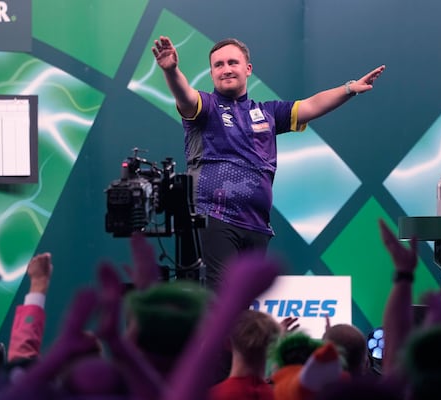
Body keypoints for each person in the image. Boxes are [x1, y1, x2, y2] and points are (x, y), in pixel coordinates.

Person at [152, 35, 385, 289]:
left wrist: (349, 88)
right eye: (218, 65)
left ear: (248, 69)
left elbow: (311, 105)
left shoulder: (267, 112)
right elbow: (184, 96)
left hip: (256, 225)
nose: (226, 69)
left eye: (233, 62)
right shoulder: (205, 107)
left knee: (245, 306)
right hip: (214, 218)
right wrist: (172, 71)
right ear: (211, 73)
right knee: (221, 303)